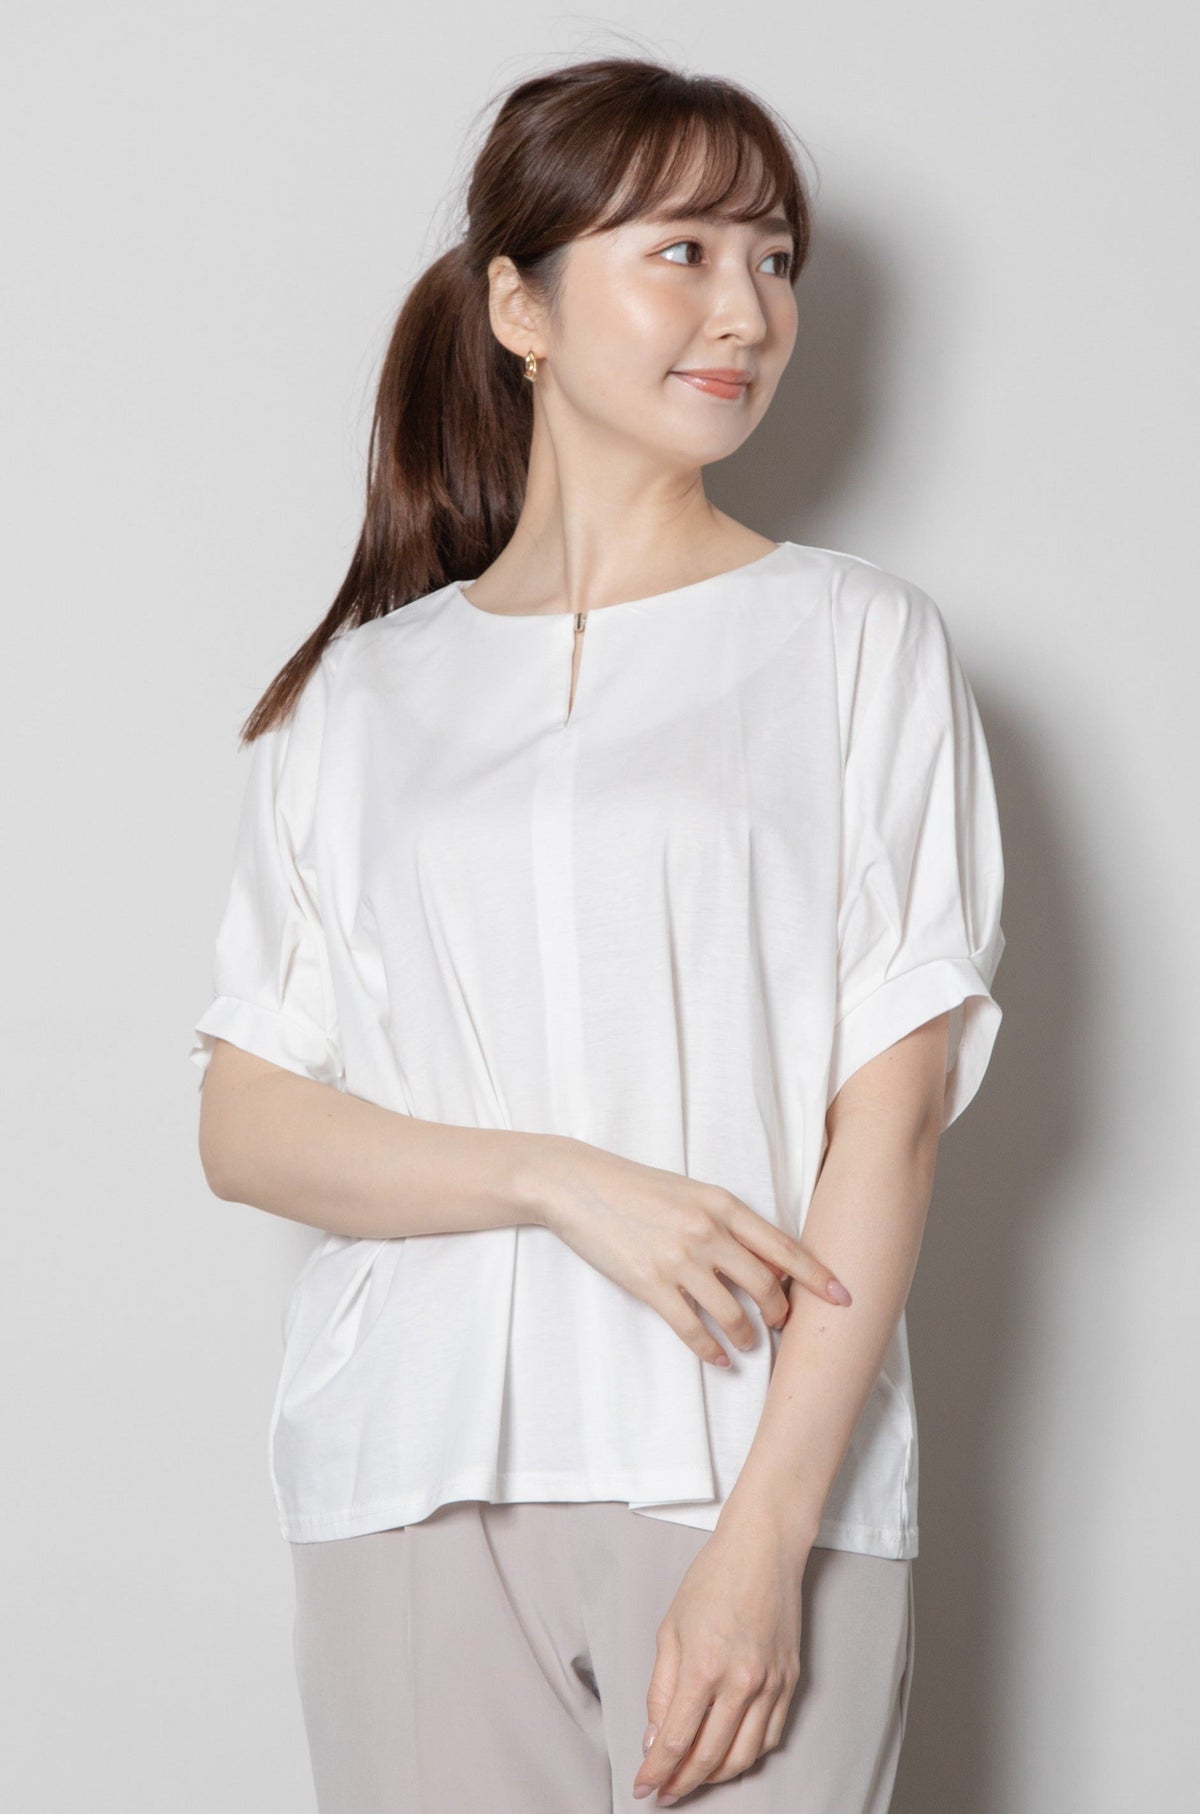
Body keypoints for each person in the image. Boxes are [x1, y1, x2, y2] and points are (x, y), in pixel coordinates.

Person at [189, 53, 1006, 1814]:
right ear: (521, 306)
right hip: (409, 1475)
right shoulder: (362, 695)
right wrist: (561, 1179)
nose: (747, 313)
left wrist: (765, 1540)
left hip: (746, 1473)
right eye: (683, 252)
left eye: (774, 260)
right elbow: (247, 1123)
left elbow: (892, 1117)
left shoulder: (860, 643)